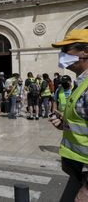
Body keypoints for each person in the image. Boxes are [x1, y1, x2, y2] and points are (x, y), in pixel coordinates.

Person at [48, 29, 88, 201]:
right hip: (78, 171)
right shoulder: (81, 83)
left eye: (66, 49)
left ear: (85, 51)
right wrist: (65, 124)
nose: (62, 55)